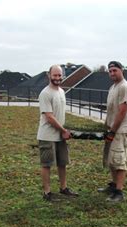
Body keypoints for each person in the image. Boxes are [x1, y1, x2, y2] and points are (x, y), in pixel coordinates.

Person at [37, 65, 78, 201]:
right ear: (49, 75)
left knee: (62, 162)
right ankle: (47, 193)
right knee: (47, 164)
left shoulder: (61, 91)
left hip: (61, 134)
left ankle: (63, 188)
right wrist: (63, 130)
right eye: (55, 75)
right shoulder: (45, 93)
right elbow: (49, 117)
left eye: (59, 75)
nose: (57, 78)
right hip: (47, 135)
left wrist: (63, 131)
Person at [98, 61, 127, 202]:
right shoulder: (113, 87)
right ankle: (113, 186)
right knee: (111, 160)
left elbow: (122, 112)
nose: (112, 73)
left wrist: (113, 131)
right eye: (110, 71)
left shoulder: (124, 88)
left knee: (119, 161)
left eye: (115, 70)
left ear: (121, 70)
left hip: (120, 131)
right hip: (111, 129)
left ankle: (119, 192)